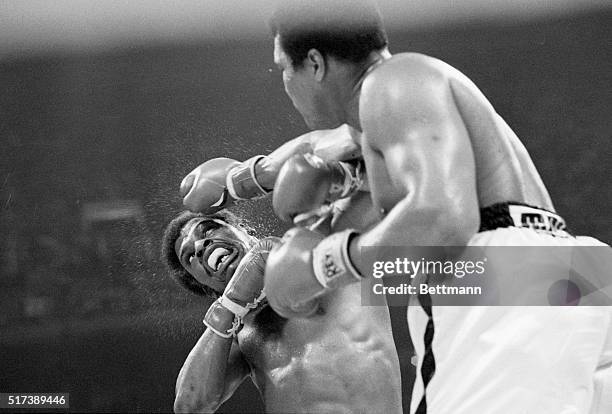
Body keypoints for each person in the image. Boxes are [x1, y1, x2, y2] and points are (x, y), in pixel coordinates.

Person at [245, 1, 611, 413]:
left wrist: (322, 264)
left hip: (504, 293)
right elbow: (327, 153)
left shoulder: (391, 84)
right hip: (563, 280)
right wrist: (249, 182)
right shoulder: (399, 105)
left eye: (283, 68)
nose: (285, 82)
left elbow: (442, 224)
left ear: (314, 63)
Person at [161, 210, 403, 413]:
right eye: (190, 255)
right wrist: (229, 307)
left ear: (245, 229)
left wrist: (255, 175)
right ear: (204, 285)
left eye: (209, 230)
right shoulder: (239, 336)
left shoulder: (325, 251)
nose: (201, 246)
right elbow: (189, 407)